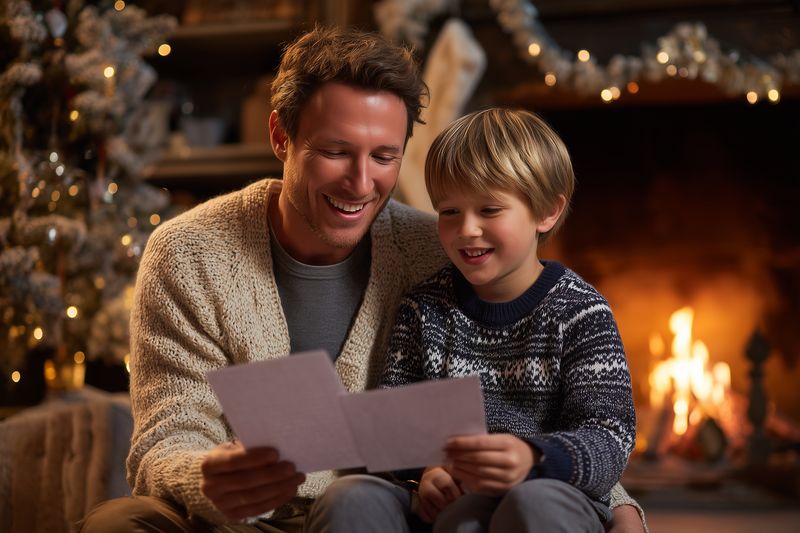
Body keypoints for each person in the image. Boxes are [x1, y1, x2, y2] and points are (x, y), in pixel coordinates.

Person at [79, 27, 646, 533]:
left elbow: (531, 407)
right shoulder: (189, 254)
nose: (361, 183)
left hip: (372, 512)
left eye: (384, 156)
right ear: (281, 137)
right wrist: (209, 474)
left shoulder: (442, 250)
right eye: (335, 151)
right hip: (238, 519)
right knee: (117, 524)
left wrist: (617, 507)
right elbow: (164, 438)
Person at [305, 108, 641, 533]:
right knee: (350, 497)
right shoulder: (423, 308)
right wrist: (426, 473)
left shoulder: (580, 312)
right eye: (448, 212)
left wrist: (534, 459)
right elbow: (394, 429)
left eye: (489, 209)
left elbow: (610, 438)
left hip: (544, 494)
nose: (466, 230)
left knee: (528, 505)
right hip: (446, 498)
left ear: (547, 212)